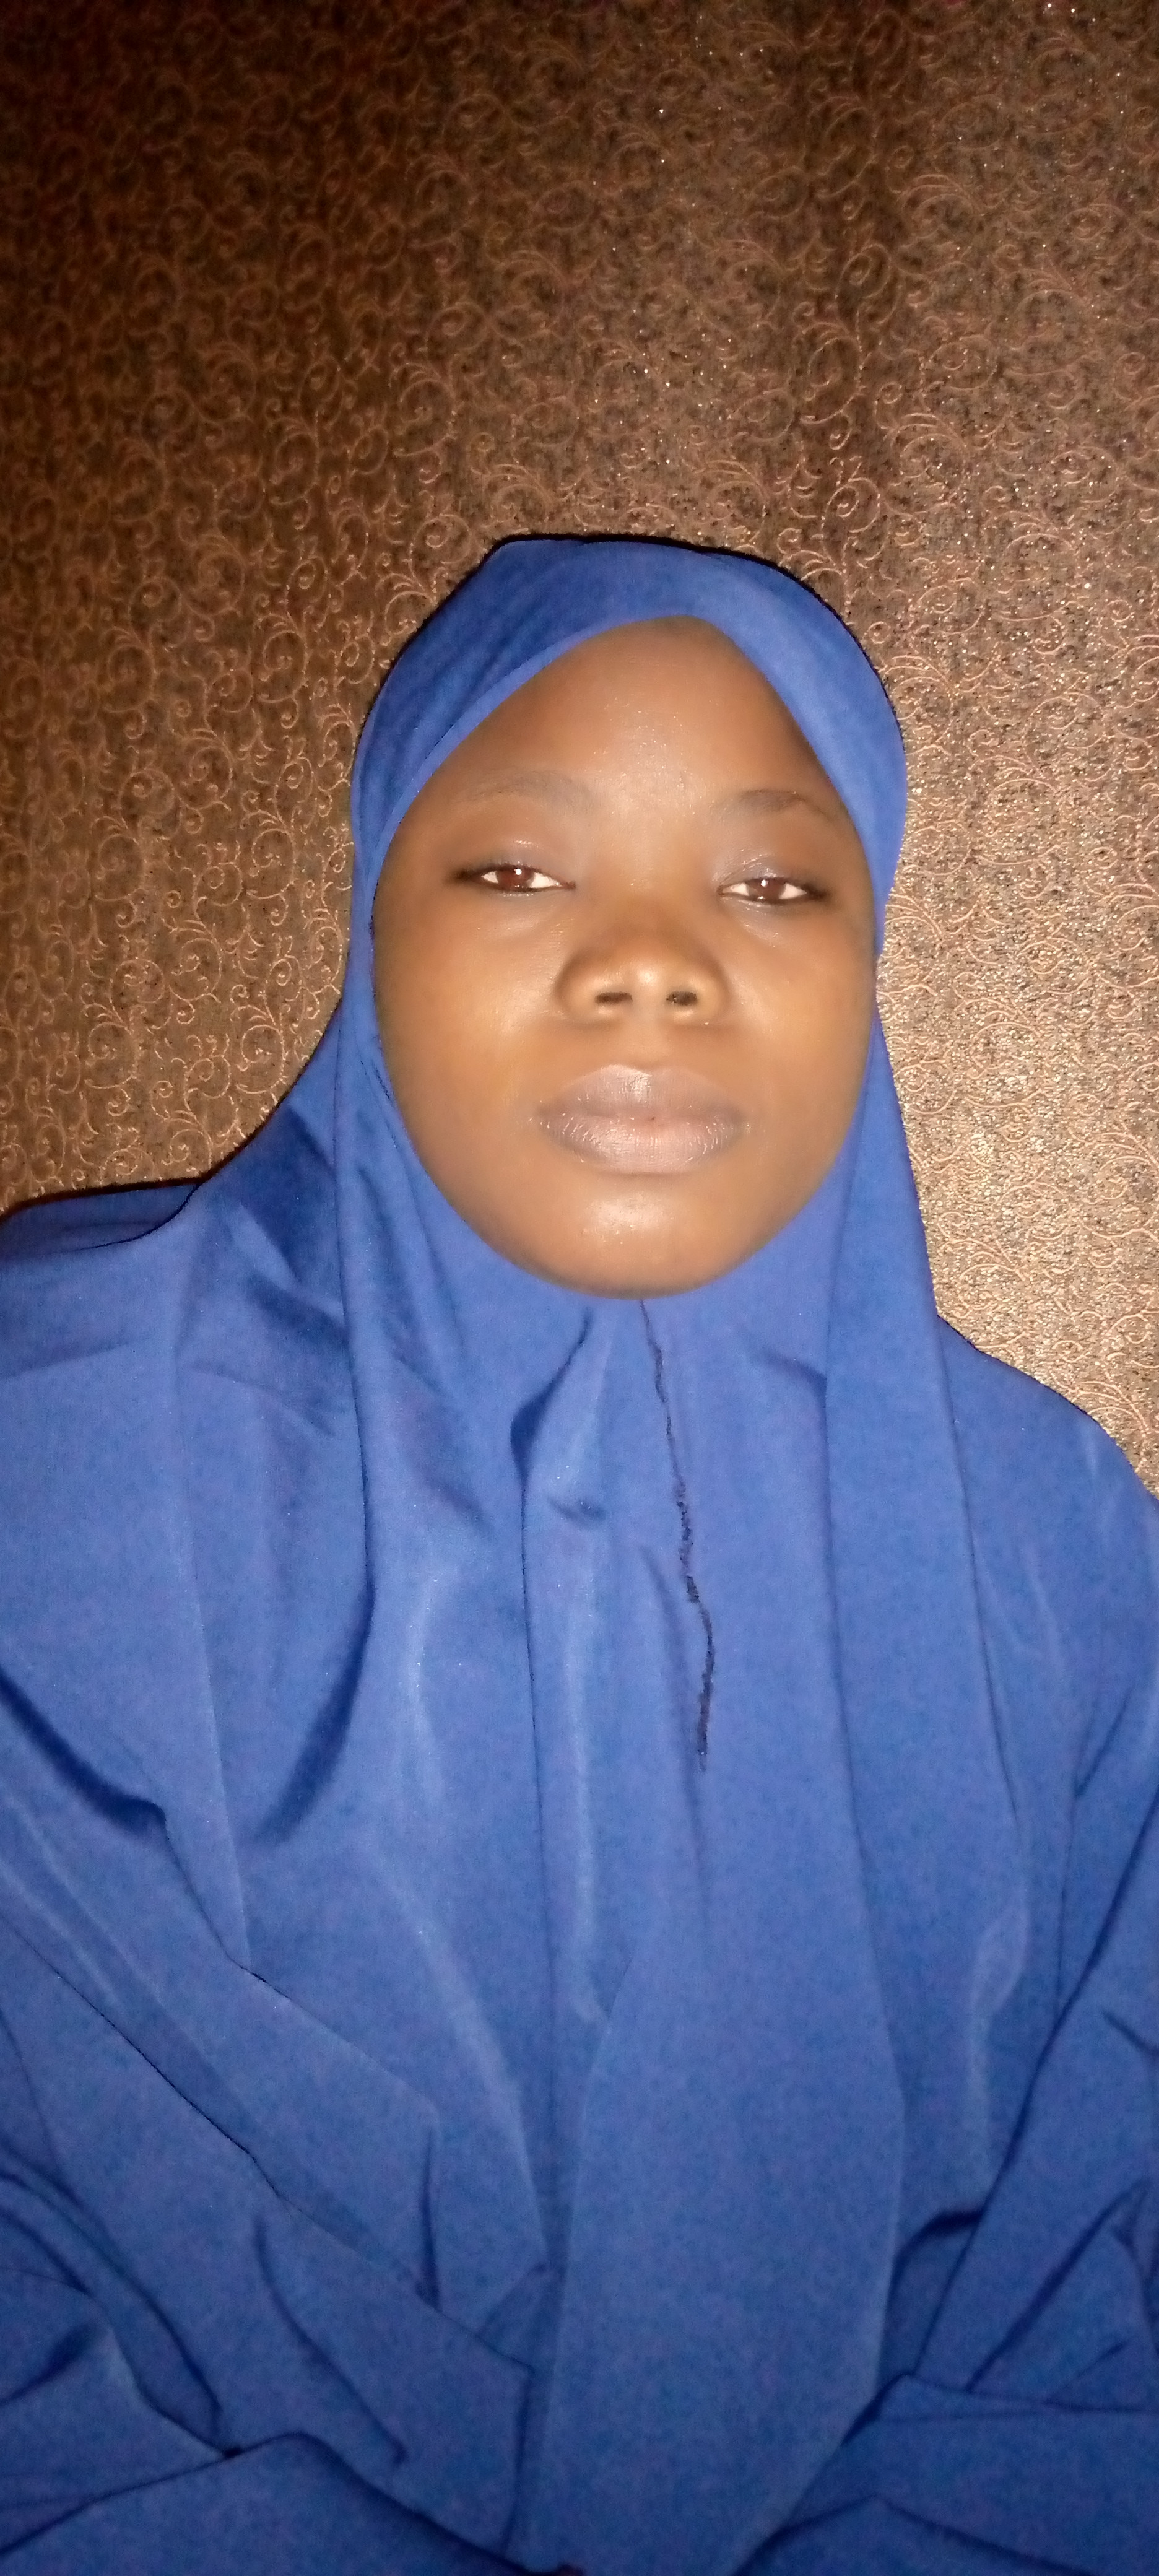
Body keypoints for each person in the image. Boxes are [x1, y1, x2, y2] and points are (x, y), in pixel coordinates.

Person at [0, 536, 1156, 2576]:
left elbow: (1102, 2301)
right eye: (520, 868)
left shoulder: (1064, 1569)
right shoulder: (54, 1455)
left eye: (774, 885)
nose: (651, 963)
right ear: (373, 917)